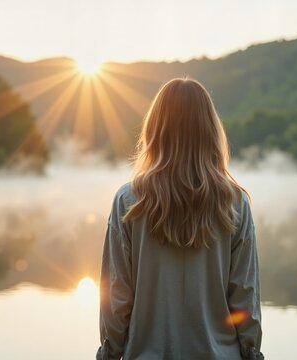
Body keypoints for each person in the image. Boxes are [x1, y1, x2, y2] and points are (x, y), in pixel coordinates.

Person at [96, 78, 263, 360]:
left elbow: (116, 298)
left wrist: (110, 354)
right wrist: (251, 352)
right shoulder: (235, 203)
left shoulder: (128, 201)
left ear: (156, 129)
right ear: (210, 131)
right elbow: (245, 295)